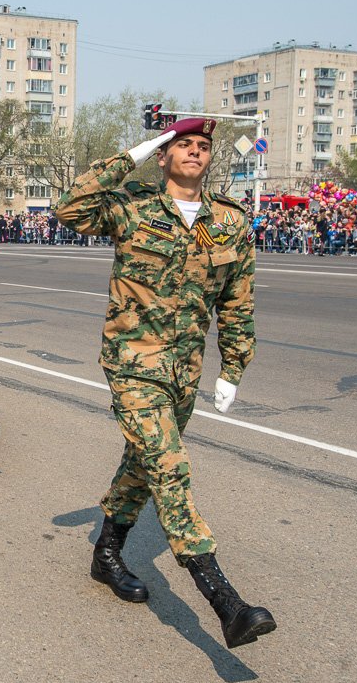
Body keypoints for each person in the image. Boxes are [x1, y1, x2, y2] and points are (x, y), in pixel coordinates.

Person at [55, 117, 275, 650]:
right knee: (169, 466)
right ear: (163, 155)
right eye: (183, 145)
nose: (195, 152)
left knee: (143, 463)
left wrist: (233, 367)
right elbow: (70, 208)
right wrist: (137, 150)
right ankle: (224, 600)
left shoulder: (229, 220)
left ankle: (106, 553)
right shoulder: (132, 207)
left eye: (202, 146)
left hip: (184, 370)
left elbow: (237, 301)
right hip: (133, 362)